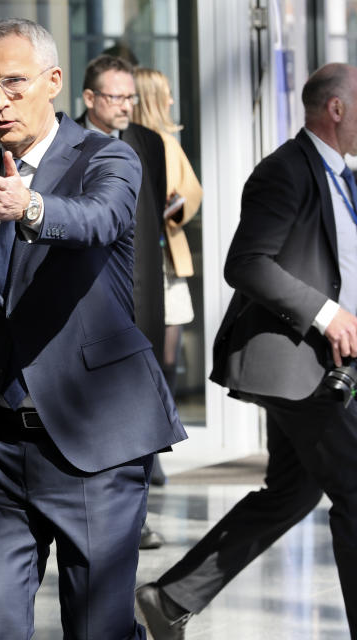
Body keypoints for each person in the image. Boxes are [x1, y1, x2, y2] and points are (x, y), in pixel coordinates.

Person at [0, 18, 186, 639]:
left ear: (53, 81)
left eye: (13, 82)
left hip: (93, 443)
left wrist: (28, 206)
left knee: (96, 629)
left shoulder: (108, 158)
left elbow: (98, 221)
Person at [136, 63, 357, 639]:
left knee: (290, 491)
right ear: (335, 108)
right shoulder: (285, 171)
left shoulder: (344, 176)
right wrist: (328, 314)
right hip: (296, 363)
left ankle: (170, 598)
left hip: (325, 365)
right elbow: (247, 263)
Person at [75, 54, 170, 548]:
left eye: (130, 96)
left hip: (143, 296)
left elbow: (148, 222)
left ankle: (138, 514)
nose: (126, 106)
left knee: (141, 410)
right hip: (90, 303)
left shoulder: (148, 143)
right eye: (116, 97)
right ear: (89, 99)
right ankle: (97, 516)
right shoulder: (68, 146)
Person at [132, 67, 203, 396]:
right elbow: (184, 198)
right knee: (164, 363)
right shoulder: (161, 145)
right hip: (159, 265)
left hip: (155, 261)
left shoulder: (134, 144)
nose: (173, 100)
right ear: (152, 101)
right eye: (166, 95)